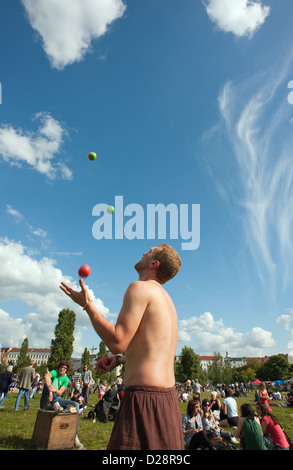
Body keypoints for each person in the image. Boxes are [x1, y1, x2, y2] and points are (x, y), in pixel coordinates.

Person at [60, 244, 184, 450]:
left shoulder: (139, 288)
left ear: (154, 264)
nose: (144, 252)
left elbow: (117, 342)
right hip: (168, 402)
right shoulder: (168, 302)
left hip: (144, 399)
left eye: (150, 251)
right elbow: (157, 353)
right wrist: (119, 360)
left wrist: (87, 305)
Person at [40, 360, 84, 450]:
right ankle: (55, 403)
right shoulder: (54, 372)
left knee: (75, 404)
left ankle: (75, 437)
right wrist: (50, 389)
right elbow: (47, 377)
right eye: (61, 367)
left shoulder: (66, 379)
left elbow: (60, 392)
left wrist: (53, 391)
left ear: (66, 370)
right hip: (46, 401)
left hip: (56, 400)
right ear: (59, 367)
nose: (62, 369)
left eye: (65, 368)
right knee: (48, 383)